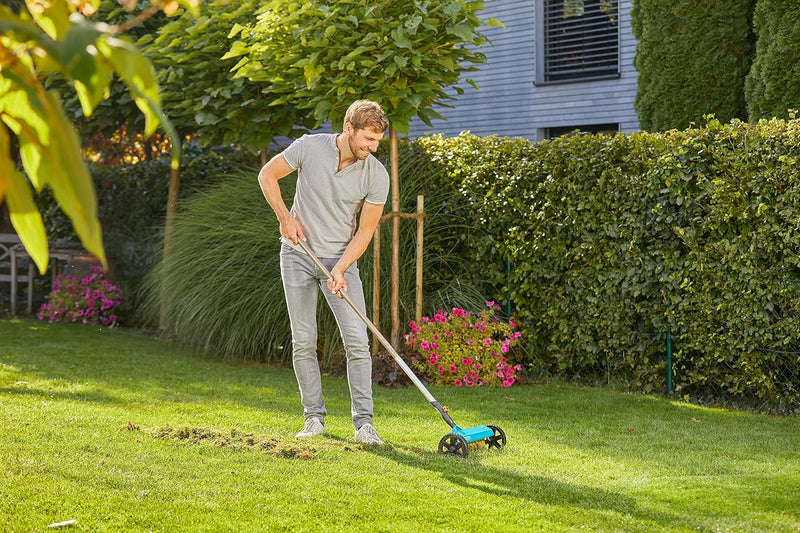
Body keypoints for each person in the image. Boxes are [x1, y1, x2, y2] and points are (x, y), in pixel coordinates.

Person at [258, 100, 390, 445]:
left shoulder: (376, 174)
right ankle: (313, 418)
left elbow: (365, 231)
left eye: (377, 142)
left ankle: (364, 424)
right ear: (349, 129)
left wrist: (343, 268)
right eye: (368, 140)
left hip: (340, 260)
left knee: (358, 343)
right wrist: (286, 219)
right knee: (303, 340)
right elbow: (267, 175)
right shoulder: (309, 147)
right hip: (298, 256)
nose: (372, 148)